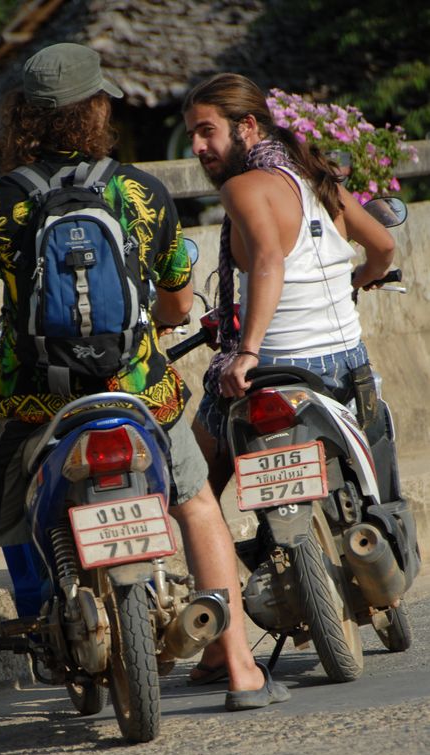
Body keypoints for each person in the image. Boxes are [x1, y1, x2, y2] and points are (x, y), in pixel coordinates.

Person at [0, 46, 288, 752]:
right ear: (97, 110)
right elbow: (173, 305)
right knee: (197, 505)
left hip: (31, 405)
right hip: (139, 395)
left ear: (22, 116)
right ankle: (235, 664)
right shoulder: (140, 193)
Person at [182, 73, 396, 685]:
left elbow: (270, 261)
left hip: (276, 367)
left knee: (194, 492)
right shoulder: (318, 182)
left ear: (248, 128)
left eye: (208, 131)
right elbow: (381, 246)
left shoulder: (245, 186)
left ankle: (225, 641)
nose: (199, 146)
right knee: (378, 466)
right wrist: (358, 284)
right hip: (346, 365)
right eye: (193, 133)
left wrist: (246, 351)